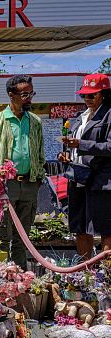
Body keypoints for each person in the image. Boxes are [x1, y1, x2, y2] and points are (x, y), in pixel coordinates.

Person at [0, 75, 44, 269]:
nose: (29, 98)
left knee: (23, 238)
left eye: (31, 93)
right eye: (24, 94)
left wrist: (38, 178)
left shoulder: (35, 122)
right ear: (11, 95)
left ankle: (21, 278)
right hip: (5, 186)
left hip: (29, 184)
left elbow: (40, 155)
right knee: (2, 237)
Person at [61, 73, 111, 254]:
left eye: (92, 95)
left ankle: (106, 271)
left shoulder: (109, 114)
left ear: (104, 94)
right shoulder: (80, 116)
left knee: (106, 229)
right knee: (80, 227)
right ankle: (84, 270)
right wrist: (67, 155)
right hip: (78, 178)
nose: (87, 99)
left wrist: (81, 145)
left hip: (101, 181)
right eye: (84, 95)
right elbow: (75, 145)